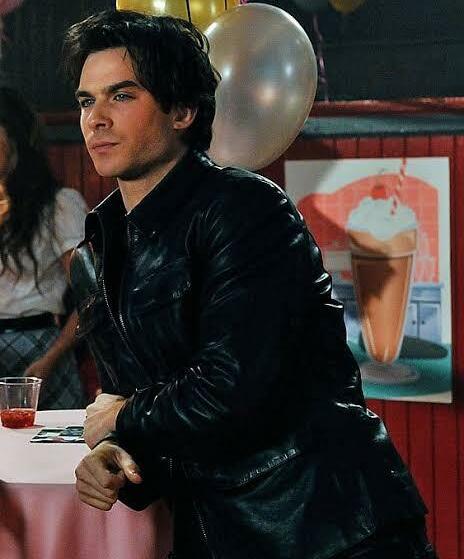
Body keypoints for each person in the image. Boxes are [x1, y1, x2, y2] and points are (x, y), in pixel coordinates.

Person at [64, 9, 437, 559]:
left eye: (121, 96)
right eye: (85, 100)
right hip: (214, 533)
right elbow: (141, 401)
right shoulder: (96, 251)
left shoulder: (244, 209)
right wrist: (115, 453)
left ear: (183, 111)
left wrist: (120, 418)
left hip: (325, 528)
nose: (95, 119)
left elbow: (233, 388)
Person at [0, 87, 88, 410]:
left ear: (15, 139)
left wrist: (52, 357)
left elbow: (92, 297)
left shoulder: (59, 206)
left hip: (41, 347)